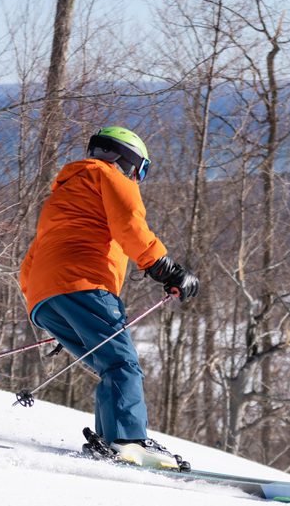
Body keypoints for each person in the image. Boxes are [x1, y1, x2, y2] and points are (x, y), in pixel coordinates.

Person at [19, 126, 199, 469]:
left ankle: (110, 440)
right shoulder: (110, 178)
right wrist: (167, 270)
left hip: (44, 298)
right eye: (140, 171)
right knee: (121, 363)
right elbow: (130, 226)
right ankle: (127, 440)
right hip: (85, 283)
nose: (137, 179)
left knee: (110, 364)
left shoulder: (63, 196)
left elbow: (34, 257)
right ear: (128, 160)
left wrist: (56, 312)